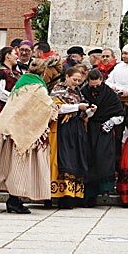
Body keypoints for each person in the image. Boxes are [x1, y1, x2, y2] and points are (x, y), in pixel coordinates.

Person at [0, 57, 58, 214]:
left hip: (7, 127)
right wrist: (56, 107)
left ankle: (14, 199)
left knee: (9, 166)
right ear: (44, 72)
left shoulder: (20, 83)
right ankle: (14, 200)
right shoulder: (38, 87)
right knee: (19, 167)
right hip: (23, 133)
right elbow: (47, 107)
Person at [49, 63, 90, 208]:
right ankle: (60, 195)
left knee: (75, 160)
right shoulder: (58, 89)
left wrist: (89, 111)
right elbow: (56, 108)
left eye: (79, 80)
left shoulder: (78, 92)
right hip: (63, 128)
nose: (77, 83)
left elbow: (81, 111)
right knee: (64, 160)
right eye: (74, 79)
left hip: (76, 128)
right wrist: (77, 107)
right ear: (67, 77)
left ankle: (71, 195)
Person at [80, 67, 123, 206]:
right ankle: (89, 194)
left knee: (103, 158)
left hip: (104, 129)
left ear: (102, 80)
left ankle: (104, 189)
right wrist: (89, 112)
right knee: (88, 159)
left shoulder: (109, 94)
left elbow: (120, 114)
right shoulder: (84, 91)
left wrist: (110, 123)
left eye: (97, 86)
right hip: (88, 128)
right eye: (92, 86)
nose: (95, 89)